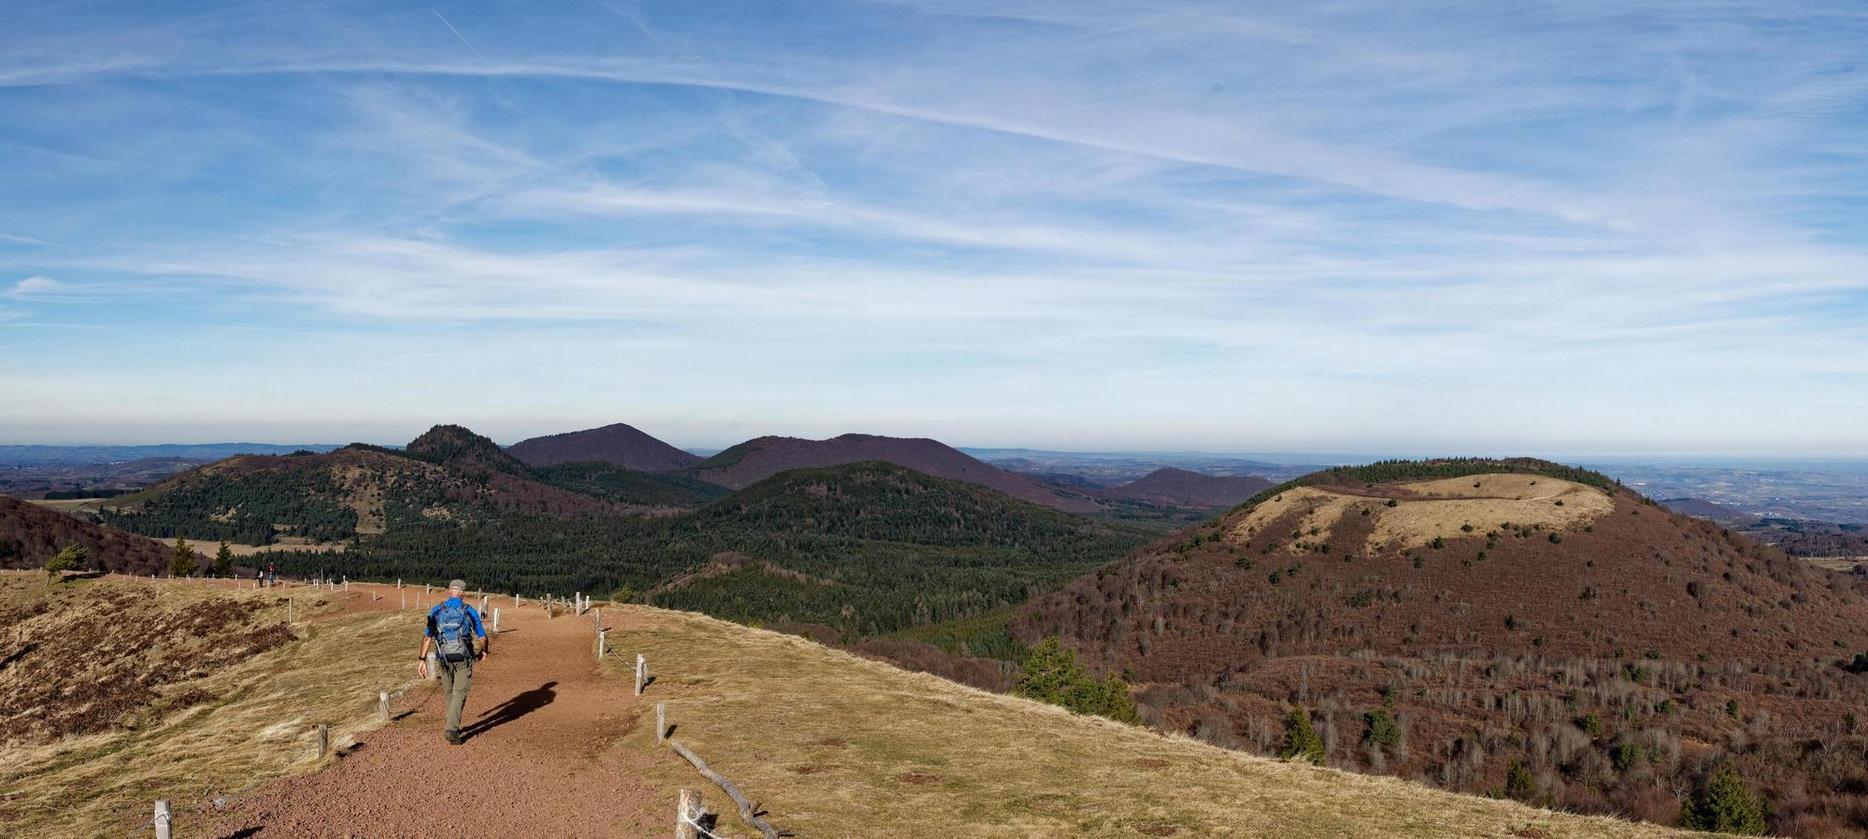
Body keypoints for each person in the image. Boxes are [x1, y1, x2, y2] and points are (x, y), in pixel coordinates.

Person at [418, 579, 489, 745]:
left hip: (443, 658)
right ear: (463, 593)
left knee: (450, 693)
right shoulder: (468, 610)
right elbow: (482, 636)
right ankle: (451, 729)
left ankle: (452, 724)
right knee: (459, 693)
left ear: (449, 591)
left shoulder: (437, 610)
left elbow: (427, 636)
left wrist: (421, 660)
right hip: (463, 658)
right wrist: (484, 651)